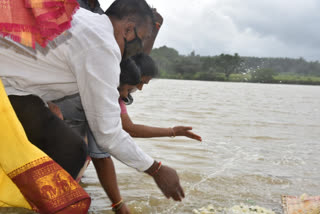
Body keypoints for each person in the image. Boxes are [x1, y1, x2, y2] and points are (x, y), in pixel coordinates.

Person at [0, 0, 184, 212]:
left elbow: (33, 64)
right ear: (129, 27)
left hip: (12, 88)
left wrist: (44, 102)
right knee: (71, 150)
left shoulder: (81, 18)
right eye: (140, 39)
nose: (137, 50)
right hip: (9, 89)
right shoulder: (103, 45)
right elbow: (108, 134)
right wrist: (156, 169)